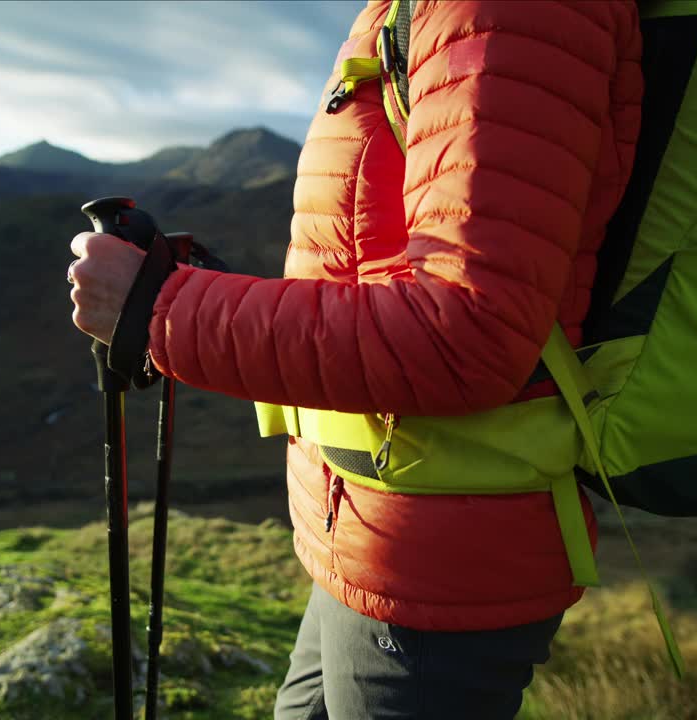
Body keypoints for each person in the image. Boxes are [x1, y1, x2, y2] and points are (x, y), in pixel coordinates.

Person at [68, 1, 643, 717]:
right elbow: (372, 264)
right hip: (371, 521)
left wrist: (161, 309)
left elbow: (466, 334)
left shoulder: (509, 11)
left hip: (437, 559)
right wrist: (187, 291)